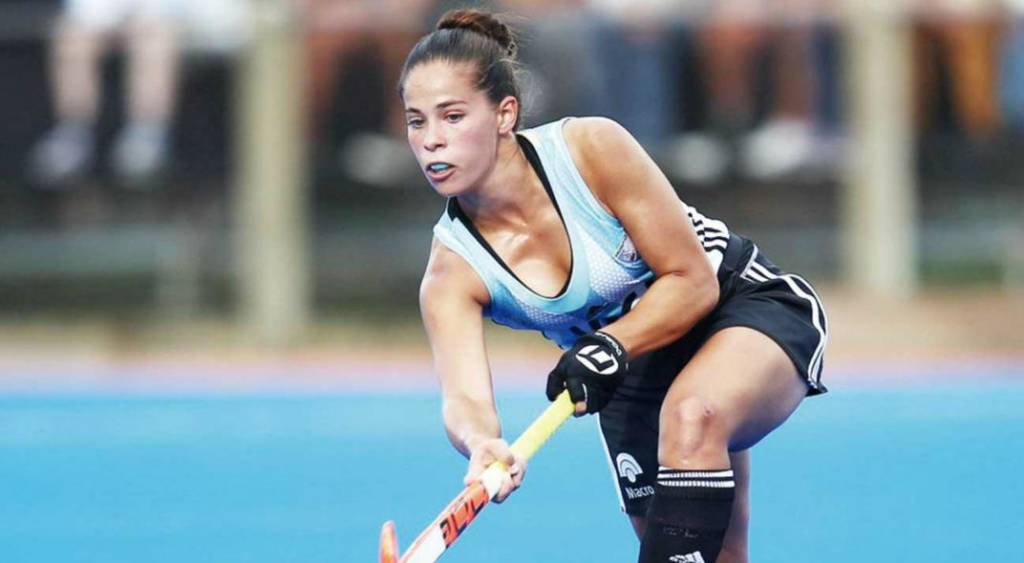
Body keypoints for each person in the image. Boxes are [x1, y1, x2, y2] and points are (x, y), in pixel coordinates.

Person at [400, 9, 828, 563]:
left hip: (737, 307)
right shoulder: (451, 272)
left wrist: (608, 345)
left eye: (453, 117)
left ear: (505, 113)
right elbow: (465, 398)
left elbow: (692, 281)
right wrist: (482, 444)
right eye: (416, 122)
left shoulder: (590, 149)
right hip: (629, 379)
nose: (432, 142)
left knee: (692, 415)